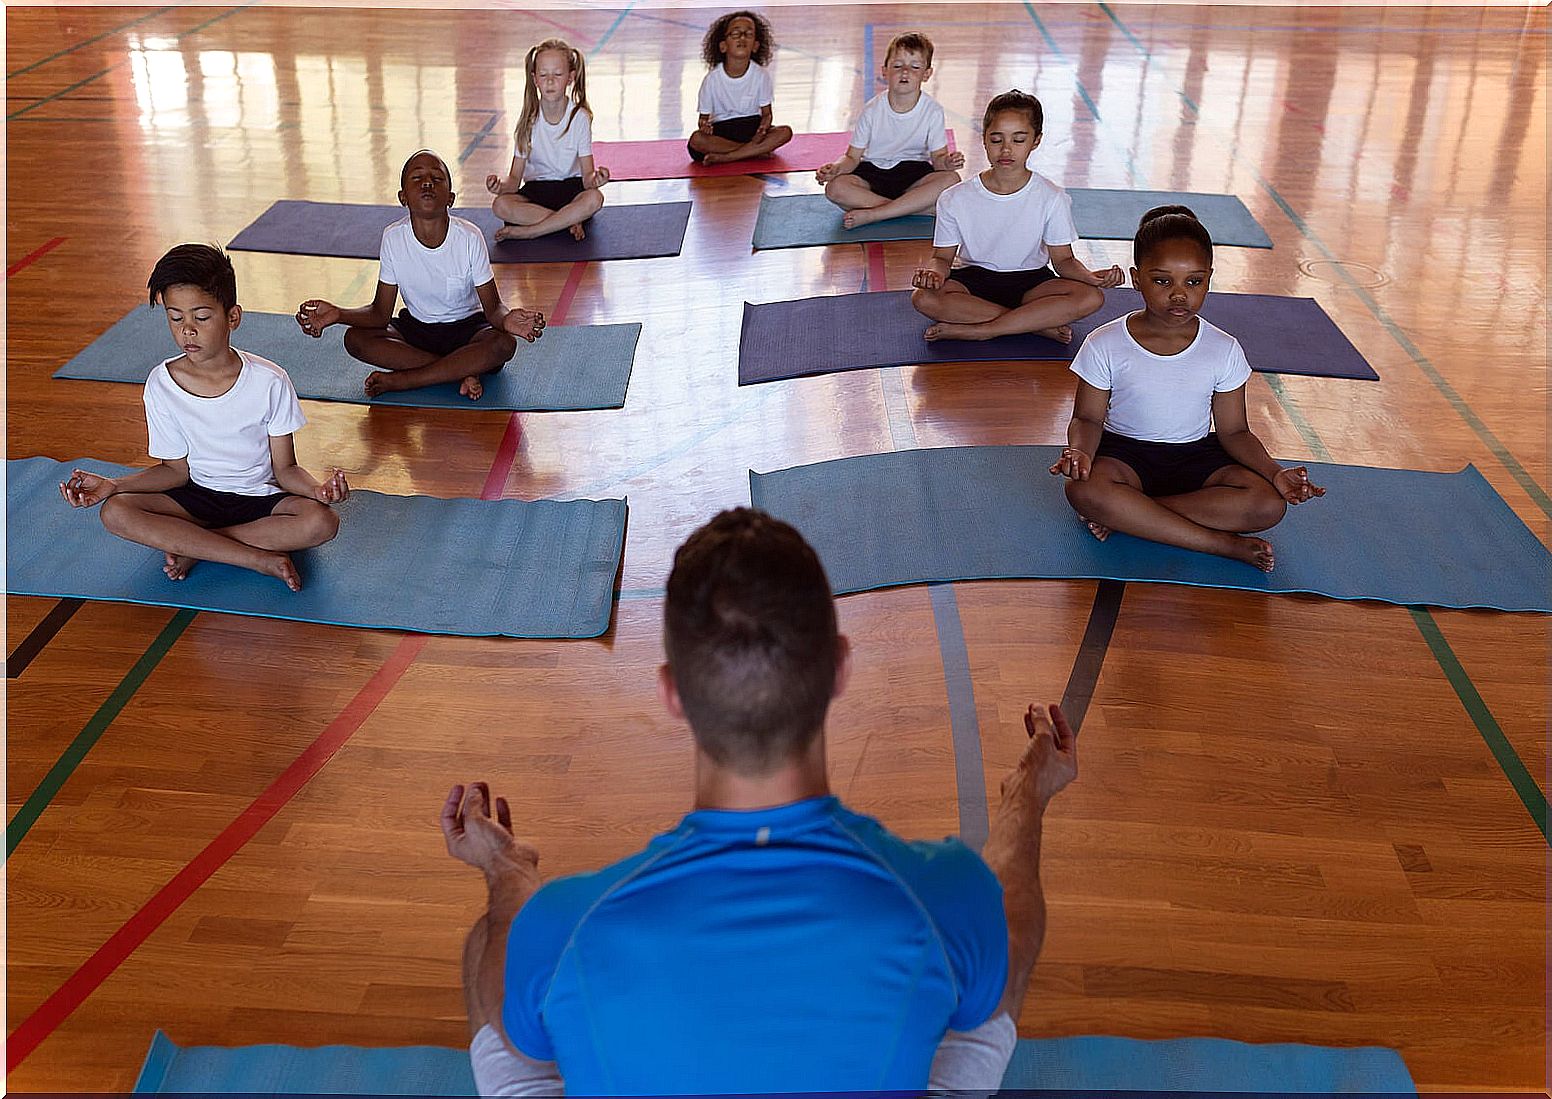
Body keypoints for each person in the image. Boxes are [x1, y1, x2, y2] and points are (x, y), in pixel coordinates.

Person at [443, 508, 1080, 1095]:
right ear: (839, 667)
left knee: (492, 946)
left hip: (548, 932)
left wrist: (508, 873)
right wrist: (1030, 791)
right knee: (994, 948)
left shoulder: (560, 922)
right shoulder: (946, 889)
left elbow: (511, 1026)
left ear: (672, 694)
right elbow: (1015, 932)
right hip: (951, 916)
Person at [1049, 205, 1326, 571]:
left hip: (1195, 457)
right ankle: (1219, 544)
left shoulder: (1223, 348)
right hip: (1124, 459)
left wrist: (1276, 472)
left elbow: (1235, 431)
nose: (1179, 295)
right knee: (1083, 491)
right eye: (1163, 281)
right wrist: (1081, 452)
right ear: (1137, 278)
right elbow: (1087, 418)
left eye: (1193, 282)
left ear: (1208, 278)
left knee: (1268, 504)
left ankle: (1133, 516)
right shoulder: (1106, 343)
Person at [58, 244, 347, 592]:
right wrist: (114, 485)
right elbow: (174, 471)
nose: (188, 330)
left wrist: (317, 490)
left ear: (232, 317)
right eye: (175, 317)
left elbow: (285, 470)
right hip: (194, 498)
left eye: (202, 317)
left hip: (261, 501)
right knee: (114, 512)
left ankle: (198, 546)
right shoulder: (161, 384)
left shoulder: (270, 381)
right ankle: (254, 557)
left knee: (321, 522)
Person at [295, 150, 546, 402]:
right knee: (355, 339)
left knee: (503, 345)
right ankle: (460, 372)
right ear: (403, 197)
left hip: (468, 332)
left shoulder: (470, 237)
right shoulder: (393, 238)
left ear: (450, 198)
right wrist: (339, 314)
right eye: (417, 178)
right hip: (416, 332)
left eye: (437, 178)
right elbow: (380, 314)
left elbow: (493, 310)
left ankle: (406, 380)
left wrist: (507, 321)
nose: (427, 183)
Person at [910, 90, 1122, 343]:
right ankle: (1033, 324)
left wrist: (1090, 277)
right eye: (997, 139)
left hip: (1033, 284)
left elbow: (1063, 260)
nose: (1006, 149)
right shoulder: (954, 198)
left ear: (1035, 140)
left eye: (1018, 140)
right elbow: (942, 258)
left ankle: (982, 329)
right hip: (973, 280)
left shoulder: (1052, 197)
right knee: (923, 297)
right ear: (984, 140)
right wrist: (933, 274)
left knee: (1091, 296)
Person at [815, 31, 964, 229]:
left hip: (914, 173)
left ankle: (875, 214)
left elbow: (938, 160)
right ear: (885, 71)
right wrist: (835, 169)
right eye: (897, 66)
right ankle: (916, 209)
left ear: (926, 74)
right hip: (872, 173)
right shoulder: (871, 110)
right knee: (835, 189)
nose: (905, 72)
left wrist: (947, 161)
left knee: (952, 179)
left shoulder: (933, 111)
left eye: (915, 67)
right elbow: (852, 158)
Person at [487, 39, 610, 243]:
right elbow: (515, 179)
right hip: (537, 192)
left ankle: (531, 231)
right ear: (535, 79)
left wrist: (597, 180)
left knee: (595, 198)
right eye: (544, 75)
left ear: (570, 77)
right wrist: (499, 187)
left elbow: (587, 178)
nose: (550, 81)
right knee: (500, 205)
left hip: (572, 190)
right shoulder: (528, 120)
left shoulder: (580, 118)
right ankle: (567, 221)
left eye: (558, 74)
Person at [687, 10, 793, 165]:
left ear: (755, 45)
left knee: (785, 132)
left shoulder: (760, 75)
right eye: (735, 34)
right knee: (697, 140)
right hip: (722, 130)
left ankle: (729, 157)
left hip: (752, 129)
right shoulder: (712, 80)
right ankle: (753, 152)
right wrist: (704, 126)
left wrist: (763, 130)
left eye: (748, 34)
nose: (742, 37)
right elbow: (703, 119)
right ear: (723, 46)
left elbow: (766, 114)